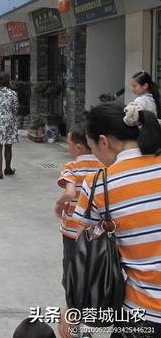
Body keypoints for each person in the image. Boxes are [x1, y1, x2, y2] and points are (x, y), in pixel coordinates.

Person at [71, 103, 161, 338]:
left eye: (92, 148)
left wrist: (72, 312)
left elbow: (84, 260)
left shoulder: (98, 184)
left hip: (144, 315)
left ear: (103, 141)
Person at [53, 130, 102, 297]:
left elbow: (70, 193)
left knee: (72, 267)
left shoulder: (72, 167)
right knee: (93, 267)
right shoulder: (105, 167)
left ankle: (73, 303)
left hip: (73, 230)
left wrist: (59, 204)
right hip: (97, 231)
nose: (68, 147)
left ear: (79, 147)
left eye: (69, 143)